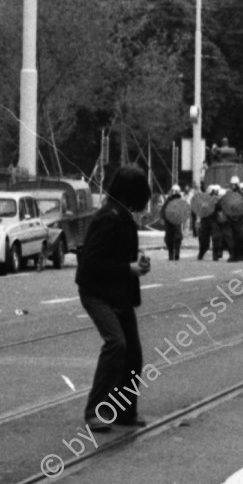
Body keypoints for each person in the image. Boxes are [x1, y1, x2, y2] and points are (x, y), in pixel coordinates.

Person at [75, 165, 152, 432]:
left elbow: (119, 255)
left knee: (133, 353)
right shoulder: (110, 218)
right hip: (97, 292)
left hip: (118, 292)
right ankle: (94, 410)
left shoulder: (121, 215)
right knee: (116, 344)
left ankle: (125, 410)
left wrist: (137, 262)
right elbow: (92, 264)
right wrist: (128, 268)